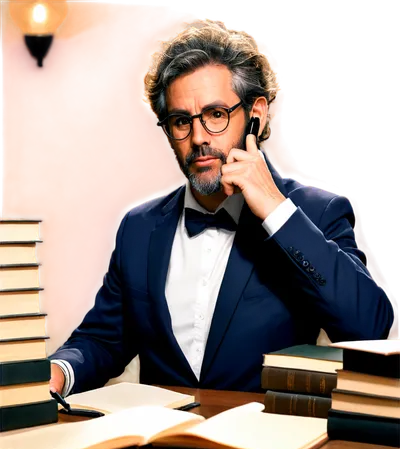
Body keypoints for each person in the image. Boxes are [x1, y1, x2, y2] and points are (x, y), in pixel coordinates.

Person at [49, 19, 394, 395]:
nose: (198, 138)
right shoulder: (139, 226)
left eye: (216, 115)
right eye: (181, 121)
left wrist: (277, 211)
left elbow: (369, 329)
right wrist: (59, 373)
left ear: (256, 115)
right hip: (159, 448)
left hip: (266, 446)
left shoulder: (317, 212)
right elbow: (102, 340)